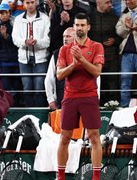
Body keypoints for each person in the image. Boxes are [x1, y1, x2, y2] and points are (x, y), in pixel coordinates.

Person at [56, 13, 104, 180]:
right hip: (70, 97)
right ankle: (60, 176)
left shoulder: (97, 46)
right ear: (74, 26)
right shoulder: (64, 49)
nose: (79, 28)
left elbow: (97, 71)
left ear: (88, 27)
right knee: (65, 137)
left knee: (94, 136)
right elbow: (59, 75)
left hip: (89, 96)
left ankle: (96, 177)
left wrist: (81, 60)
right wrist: (73, 65)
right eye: (77, 25)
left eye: (83, 25)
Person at [12, 0, 50, 107]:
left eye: (32, 2)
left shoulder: (45, 18)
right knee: (27, 89)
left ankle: (39, 116)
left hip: (41, 59)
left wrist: (36, 43)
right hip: (24, 60)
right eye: (27, 2)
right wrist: (25, 42)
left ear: (36, 3)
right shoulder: (18, 19)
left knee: (40, 90)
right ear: (24, 4)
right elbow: (15, 39)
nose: (30, 5)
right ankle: (29, 116)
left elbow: (47, 41)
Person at [89, 0, 121, 105]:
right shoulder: (90, 17)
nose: (110, 5)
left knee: (113, 83)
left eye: (110, 2)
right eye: (107, 2)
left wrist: (114, 40)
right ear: (98, 3)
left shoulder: (115, 17)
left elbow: (122, 36)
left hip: (112, 57)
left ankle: (114, 105)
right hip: (94, 58)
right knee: (96, 83)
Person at [0, 3, 23, 106]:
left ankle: (17, 108)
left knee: (18, 89)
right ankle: (7, 109)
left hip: (16, 62)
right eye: (1, 13)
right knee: (5, 88)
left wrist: (6, 36)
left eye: (5, 13)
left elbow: (17, 44)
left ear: (10, 13)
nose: (3, 15)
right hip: (4, 63)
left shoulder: (15, 26)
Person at [44, 27, 75, 110]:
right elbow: (49, 79)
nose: (65, 39)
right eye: (64, 36)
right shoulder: (56, 54)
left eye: (68, 36)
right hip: (61, 99)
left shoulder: (84, 52)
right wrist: (51, 100)